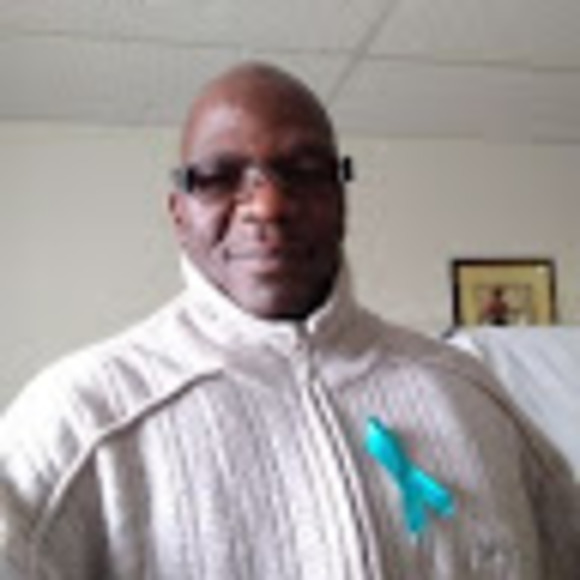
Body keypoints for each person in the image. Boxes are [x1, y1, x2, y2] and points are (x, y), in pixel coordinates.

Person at [1, 62, 579, 580]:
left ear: (341, 198)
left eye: (303, 170)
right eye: (219, 176)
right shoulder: (80, 420)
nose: (268, 205)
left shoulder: (470, 391)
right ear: (179, 212)